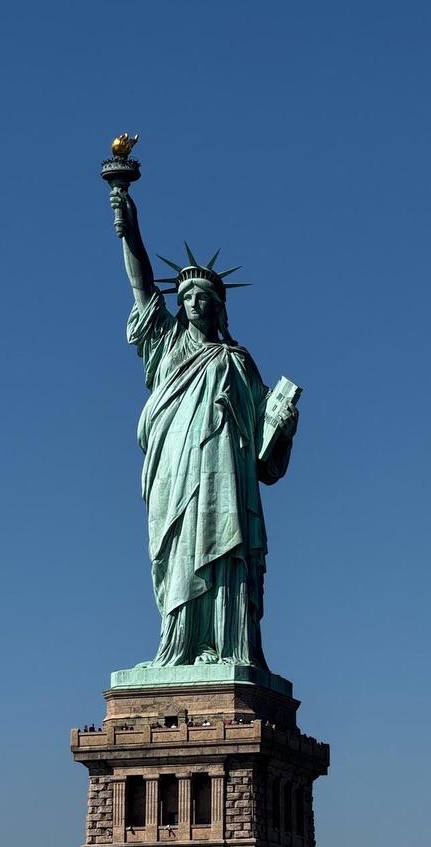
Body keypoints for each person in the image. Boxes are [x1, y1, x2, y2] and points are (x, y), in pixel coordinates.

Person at [109, 186, 299, 669]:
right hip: (175, 468)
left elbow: (263, 453)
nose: (192, 301)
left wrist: (284, 423)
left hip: (223, 474)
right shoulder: (167, 342)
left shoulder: (238, 361)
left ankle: (227, 644)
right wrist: (129, 227)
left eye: (202, 296)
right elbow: (141, 285)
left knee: (223, 545)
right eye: (186, 295)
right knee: (177, 553)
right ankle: (178, 646)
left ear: (218, 306)